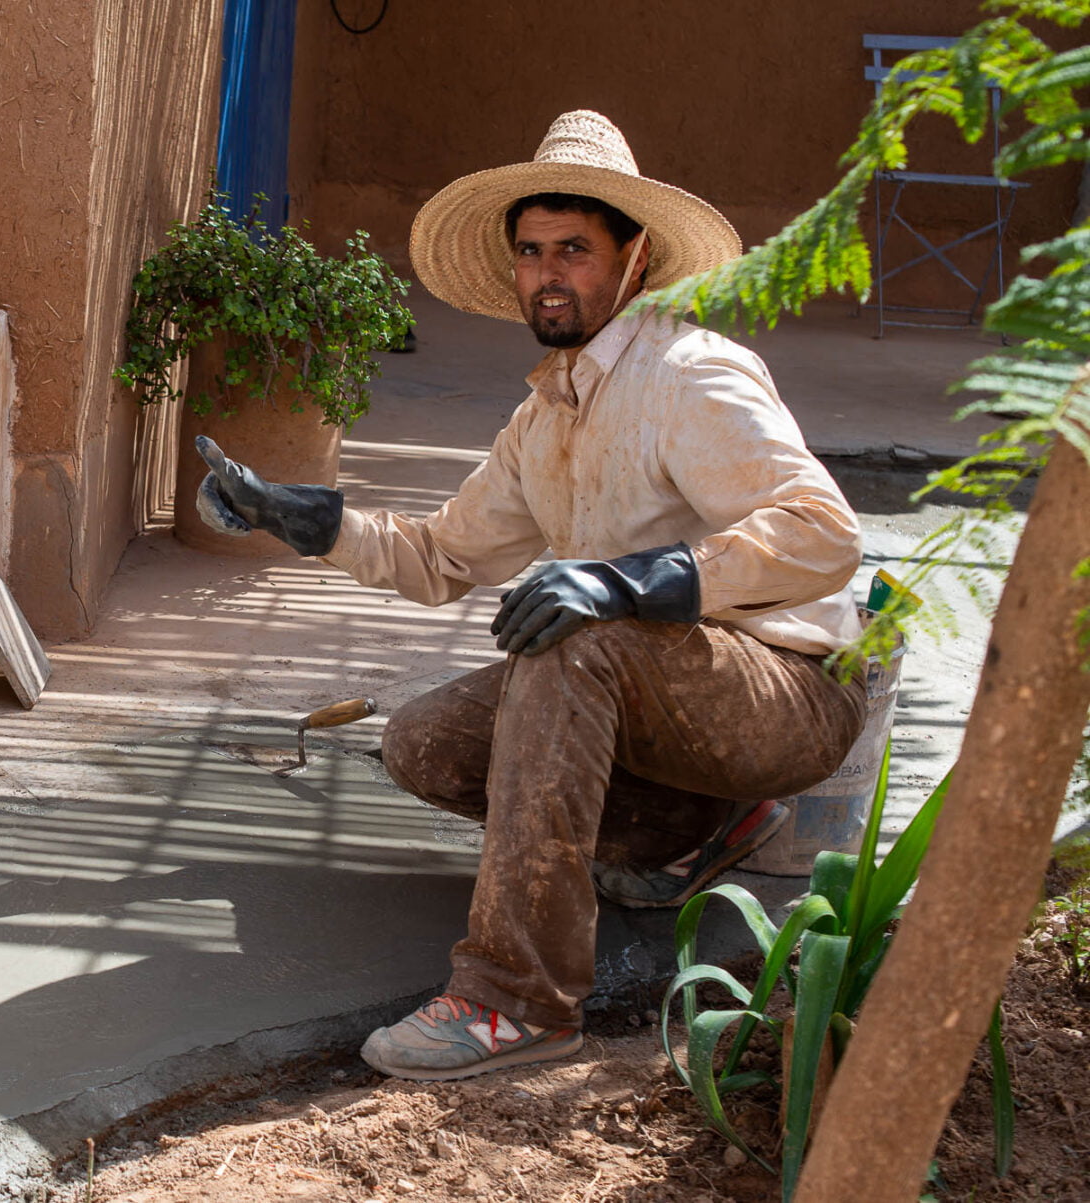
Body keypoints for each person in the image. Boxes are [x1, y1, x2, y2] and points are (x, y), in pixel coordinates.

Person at [196, 111, 868, 1081]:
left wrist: (625, 580)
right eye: (530, 252)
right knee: (422, 741)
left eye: (575, 251)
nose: (549, 273)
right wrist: (308, 520)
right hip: (671, 706)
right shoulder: (541, 415)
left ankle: (519, 1001)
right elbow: (437, 557)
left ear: (633, 257)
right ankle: (690, 833)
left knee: (569, 636)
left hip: (791, 691)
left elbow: (826, 535)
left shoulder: (690, 373)